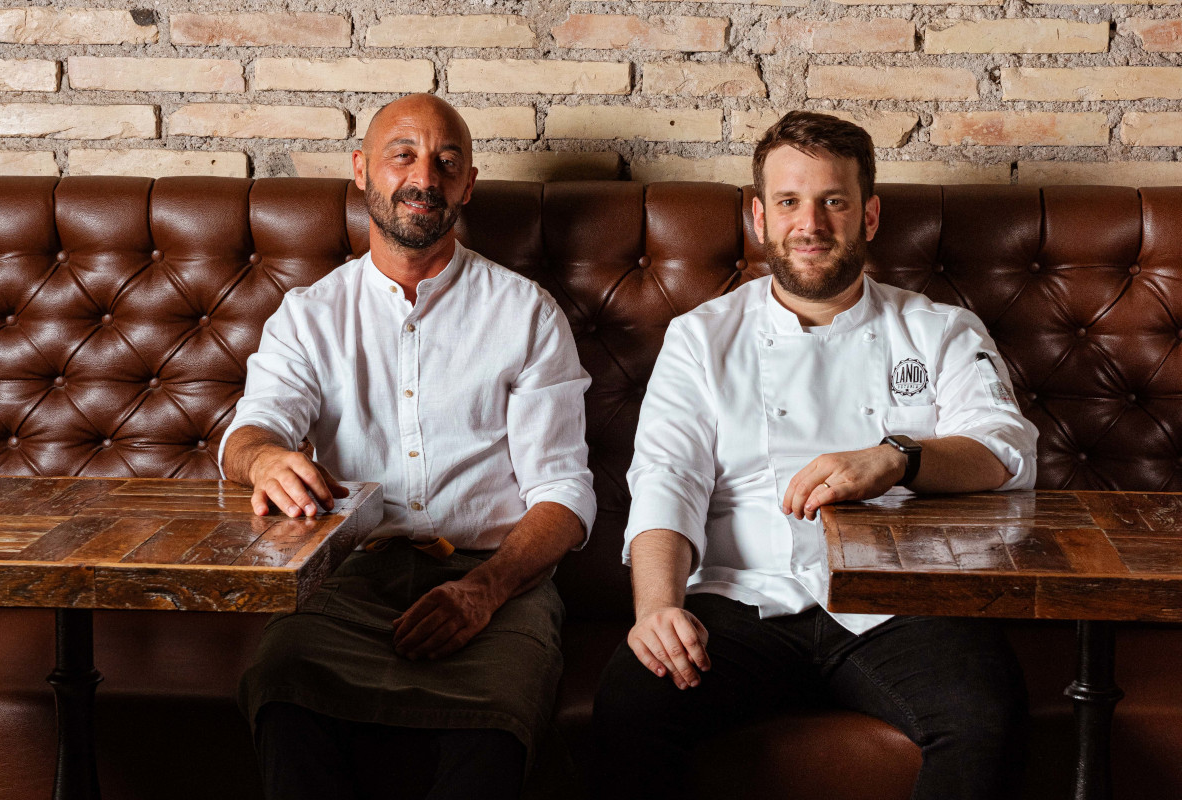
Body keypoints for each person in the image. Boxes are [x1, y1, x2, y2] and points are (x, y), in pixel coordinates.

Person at [591, 110, 1038, 799]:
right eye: (790, 202)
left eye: (834, 201)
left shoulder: (939, 329)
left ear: (870, 216)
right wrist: (656, 608)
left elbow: (1006, 451)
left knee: (984, 714)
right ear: (759, 217)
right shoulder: (701, 337)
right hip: (738, 596)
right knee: (632, 704)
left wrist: (897, 457)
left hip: (897, 604)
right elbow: (666, 479)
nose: (812, 224)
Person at [220, 93, 595, 800]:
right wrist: (265, 458)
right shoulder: (310, 317)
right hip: (345, 580)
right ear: (362, 171)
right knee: (284, 694)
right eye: (404, 155)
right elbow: (251, 430)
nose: (425, 176)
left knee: (489, 737)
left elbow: (565, 495)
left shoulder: (527, 315)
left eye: (446, 162)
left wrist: (484, 591)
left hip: (500, 582)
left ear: (467, 186)